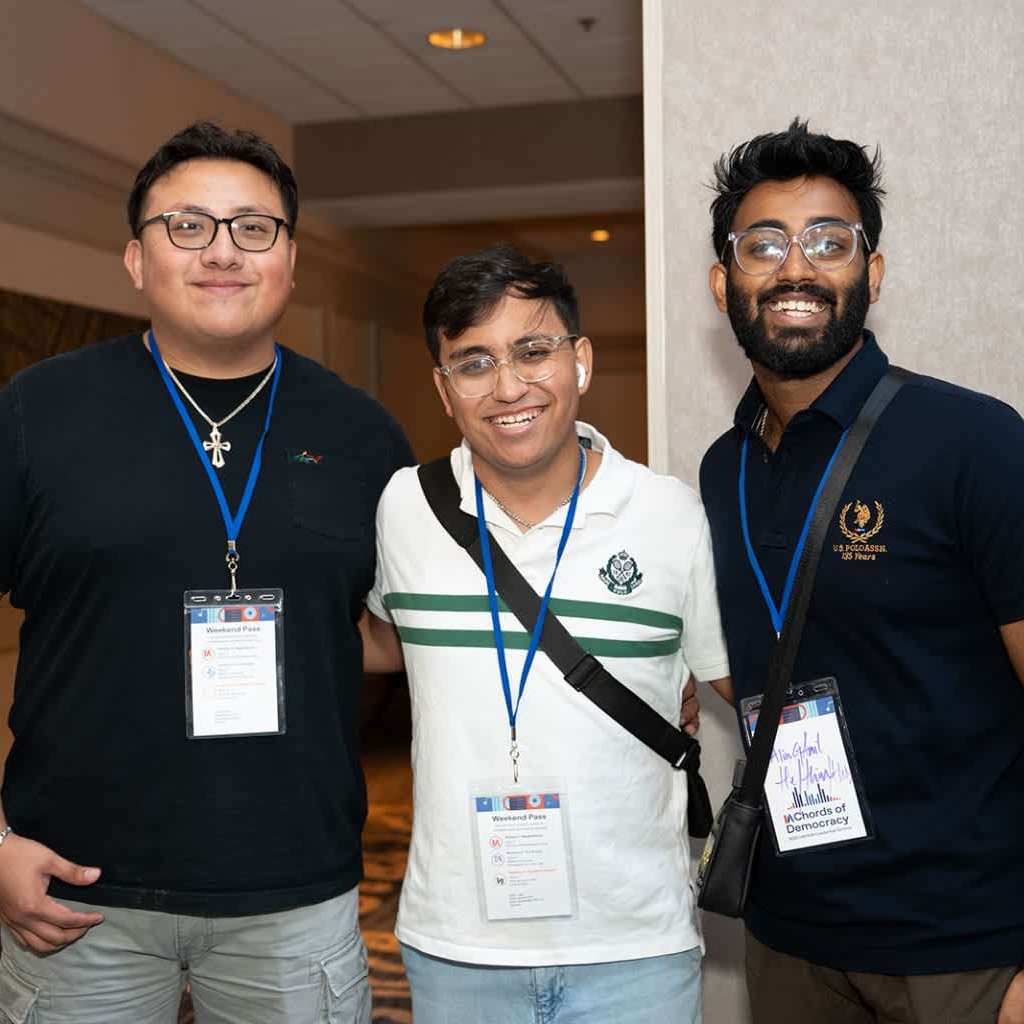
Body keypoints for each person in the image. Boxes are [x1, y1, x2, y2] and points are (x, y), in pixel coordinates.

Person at [0, 122, 412, 1023]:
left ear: (291, 262)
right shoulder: (38, 412)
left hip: (295, 896)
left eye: (253, 228)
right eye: (188, 226)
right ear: (136, 259)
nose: (223, 250)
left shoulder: (363, 436)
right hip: (74, 895)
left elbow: (393, 637)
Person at [698, 119, 1024, 1024]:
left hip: (964, 949)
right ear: (725, 283)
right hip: (788, 935)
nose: (795, 267)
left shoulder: (974, 441)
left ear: (870, 275)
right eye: (763, 245)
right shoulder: (723, 469)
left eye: (829, 242)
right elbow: (761, 658)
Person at [359, 245, 730, 1024]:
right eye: (474, 362)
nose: (509, 387)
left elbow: (743, 685)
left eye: (534, 351)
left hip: (636, 950)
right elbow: (385, 642)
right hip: (457, 948)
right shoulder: (405, 509)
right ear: (444, 388)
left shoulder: (669, 515)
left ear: (581, 361)